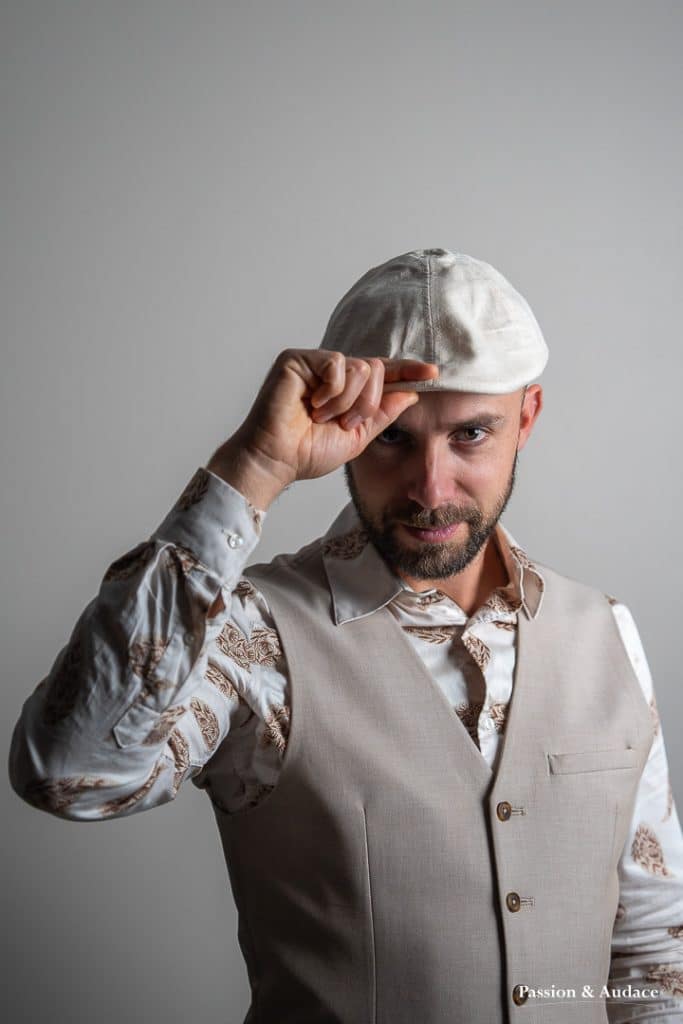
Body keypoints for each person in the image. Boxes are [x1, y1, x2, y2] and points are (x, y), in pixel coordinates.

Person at [8, 248, 683, 1023]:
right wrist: (253, 465)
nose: (431, 488)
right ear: (344, 431)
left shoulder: (606, 633)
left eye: (470, 434)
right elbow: (68, 774)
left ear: (525, 419)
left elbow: (651, 947)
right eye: (392, 440)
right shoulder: (249, 636)